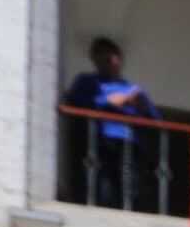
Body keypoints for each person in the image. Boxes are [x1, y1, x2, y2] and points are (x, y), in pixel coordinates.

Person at [62, 35, 157, 209]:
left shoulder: (132, 88)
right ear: (95, 60)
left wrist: (140, 106)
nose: (108, 61)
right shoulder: (88, 82)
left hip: (129, 143)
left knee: (131, 186)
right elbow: (75, 102)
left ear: (119, 58)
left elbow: (156, 120)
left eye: (111, 56)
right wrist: (108, 101)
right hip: (101, 140)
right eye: (101, 56)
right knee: (105, 186)